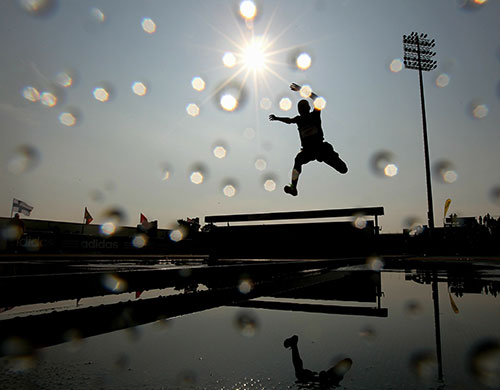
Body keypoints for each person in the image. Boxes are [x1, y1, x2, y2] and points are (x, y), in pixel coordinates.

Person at [269, 83, 348, 196]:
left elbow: (318, 99)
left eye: (303, 109)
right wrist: (277, 118)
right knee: (298, 160)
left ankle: (333, 157)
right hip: (308, 151)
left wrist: (302, 90)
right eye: (300, 110)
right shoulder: (299, 119)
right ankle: (293, 188)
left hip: (320, 148)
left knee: (343, 169)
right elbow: (289, 120)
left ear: (308, 108)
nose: (302, 111)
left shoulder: (314, 115)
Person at [284, 334, 352, 388]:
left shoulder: (334, 377)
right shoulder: (335, 376)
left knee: (299, 371)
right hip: (318, 379)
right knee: (299, 371)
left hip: (317, 380)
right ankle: (294, 345)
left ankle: (294, 345)